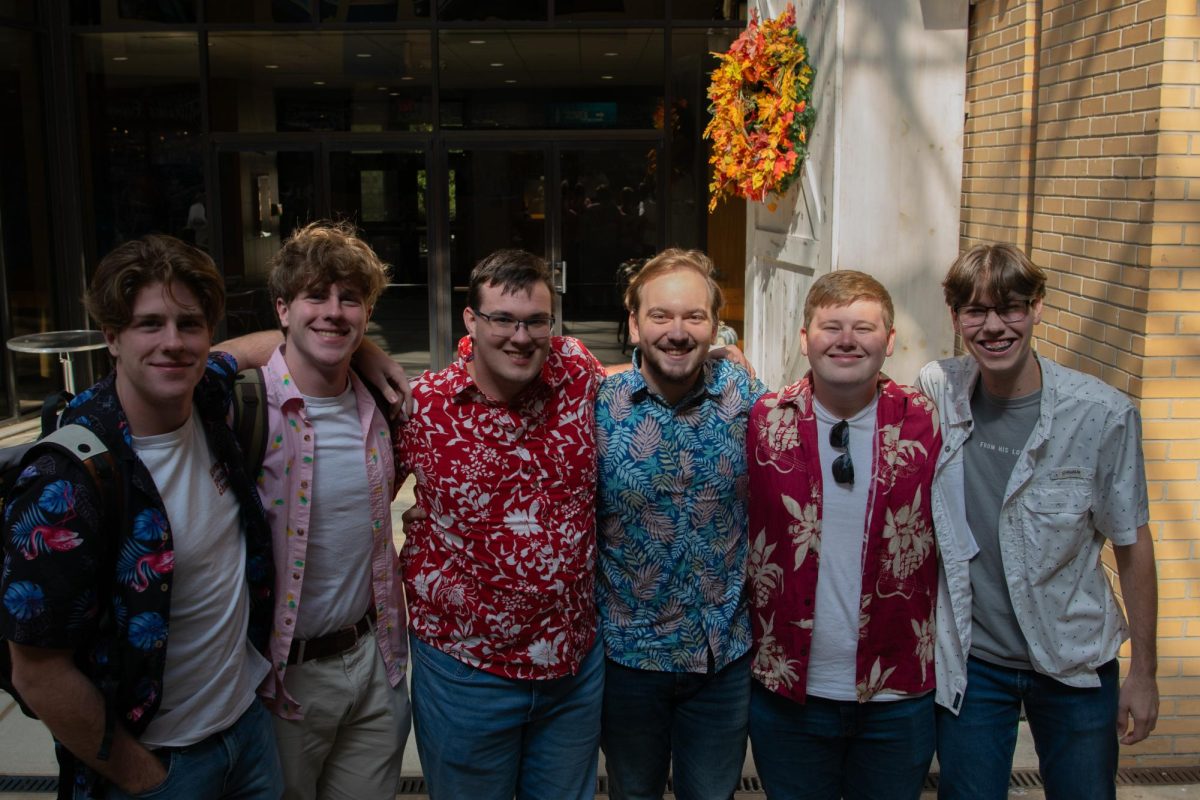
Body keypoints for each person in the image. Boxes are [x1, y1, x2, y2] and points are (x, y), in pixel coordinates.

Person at [1, 235, 280, 799]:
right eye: (149, 324)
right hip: (156, 764)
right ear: (111, 337)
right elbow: (36, 672)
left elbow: (273, 340)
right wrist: (147, 782)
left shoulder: (207, 397)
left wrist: (365, 352)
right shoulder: (65, 481)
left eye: (189, 324)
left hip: (248, 735)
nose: (173, 344)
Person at [918, 243, 1158, 800]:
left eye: (1011, 308)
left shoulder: (1102, 415)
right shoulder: (939, 389)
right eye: (976, 311)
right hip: (975, 666)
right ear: (955, 318)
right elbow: (857, 388)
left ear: (1038, 308)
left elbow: (1132, 544)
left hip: (1075, 661)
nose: (994, 326)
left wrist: (1144, 672)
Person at [395, 249, 607, 800]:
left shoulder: (576, 369)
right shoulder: (422, 407)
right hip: (466, 672)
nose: (521, 336)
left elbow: (635, 376)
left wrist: (718, 355)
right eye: (503, 320)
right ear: (471, 321)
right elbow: (364, 500)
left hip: (572, 669)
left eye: (536, 320)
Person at [746, 271, 941, 800]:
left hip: (897, 690)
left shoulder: (929, 421)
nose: (847, 339)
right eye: (831, 326)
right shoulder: (764, 419)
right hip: (788, 692)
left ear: (891, 340)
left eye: (864, 327)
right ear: (804, 338)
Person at [595, 248, 767, 800]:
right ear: (633, 324)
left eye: (694, 316)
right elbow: (507, 347)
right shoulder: (597, 405)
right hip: (628, 659)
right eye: (660, 316)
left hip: (722, 658)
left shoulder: (748, 399)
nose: (677, 330)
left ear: (716, 326)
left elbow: (836, 388)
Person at [251, 222, 410, 799]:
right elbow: (183, 360)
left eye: (351, 300)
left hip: (375, 661)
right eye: (316, 295)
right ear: (283, 309)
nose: (334, 312)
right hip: (283, 679)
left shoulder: (385, 408)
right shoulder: (246, 409)